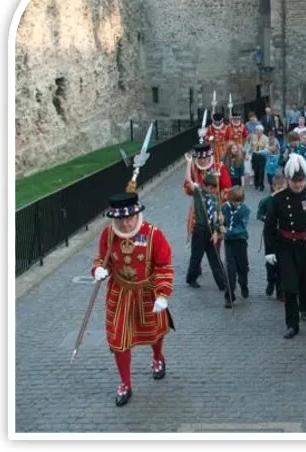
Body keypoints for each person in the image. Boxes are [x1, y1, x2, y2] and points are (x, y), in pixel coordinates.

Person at [90, 191, 175, 407]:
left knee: (154, 331)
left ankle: (157, 358)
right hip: (119, 293)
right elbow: (102, 259)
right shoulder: (108, 235)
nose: (126, 224)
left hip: (147, 291)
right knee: (118, 340)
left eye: (129, 218)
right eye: (121, 219)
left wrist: (162, 294)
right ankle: (125, 383)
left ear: (137, 214)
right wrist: (99, 269)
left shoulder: (154, 235)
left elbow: (163, 265)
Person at [263, 153, 306, 339]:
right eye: (294, 181)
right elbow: (269, 227)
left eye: (301, 181)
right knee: (289, 286)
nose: (298, 185)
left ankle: (305, 308)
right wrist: (269, 250)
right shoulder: (277, 198)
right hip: (286, 246)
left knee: (305, 281)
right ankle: (292, 324)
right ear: (288, 179)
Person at [184, 172, 228, 291]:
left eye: (214, 188)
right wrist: (188, 163)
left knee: (215, 258)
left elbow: (218, 215)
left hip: (211, 231)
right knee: (196, 257)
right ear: (205, 186)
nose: (213, 190)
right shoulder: (198, 194)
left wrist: (216, 232)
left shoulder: (215, 199)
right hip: (200, 230)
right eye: (210, 188)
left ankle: (222, 283)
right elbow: (188, 180)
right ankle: (191, 278)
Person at [257, 171, 287, 300]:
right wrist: (267, 218)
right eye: (278, 188)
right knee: (270, 262)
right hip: (270, 235)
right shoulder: (266, 200)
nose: (281, 190)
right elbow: (259, 214)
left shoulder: (287, 200)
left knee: (282, 263)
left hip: (283, 235)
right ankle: (271, 281)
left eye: (283, 187)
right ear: (273, 187)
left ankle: (280, 290)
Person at [220, 185, 251, 308]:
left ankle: (243, 284)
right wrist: (219, 222)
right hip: (229, 243)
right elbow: (219, 223)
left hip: (240, 242)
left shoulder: (245, 210)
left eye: (238, 201)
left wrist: (227, 231)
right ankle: (229, 296)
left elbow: (241, 228)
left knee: (243, 268)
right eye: (233, 201)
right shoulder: (224, 208)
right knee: (230, 270)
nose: (236, 204)